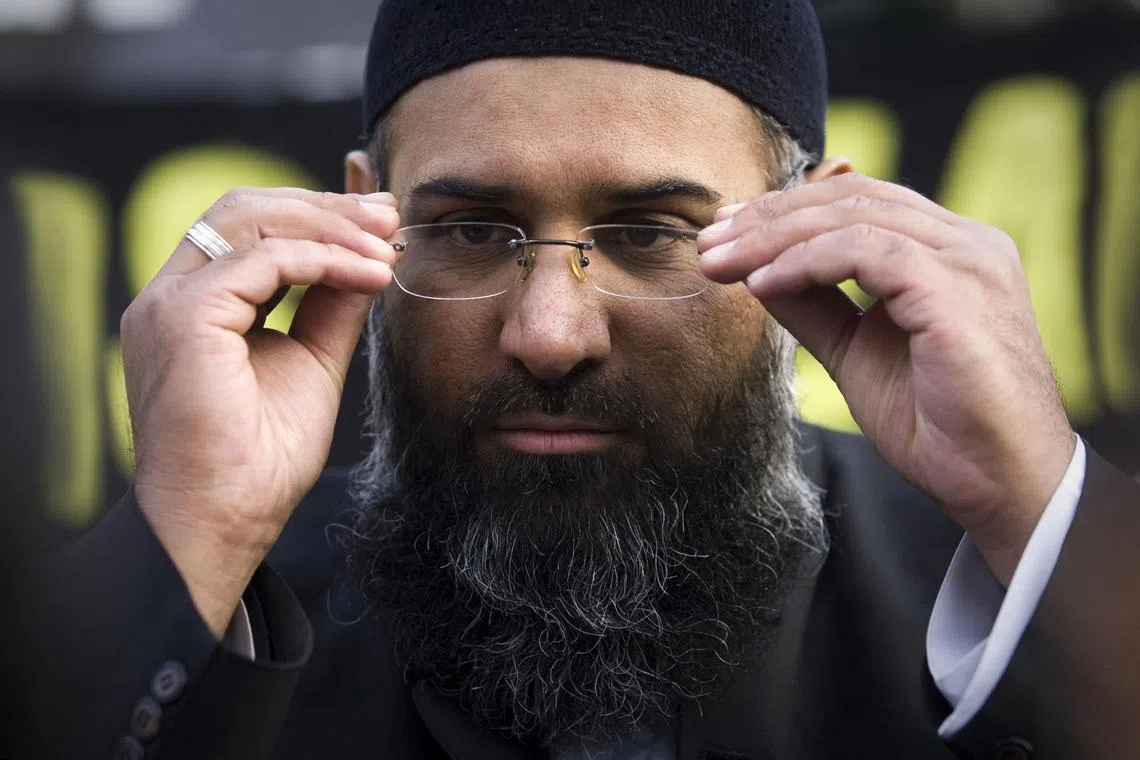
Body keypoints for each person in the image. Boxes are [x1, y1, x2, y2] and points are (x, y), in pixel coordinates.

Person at [13, 0, 1140, 758]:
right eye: (472, 232)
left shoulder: (995, 577)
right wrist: (191, 529)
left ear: (816, 223)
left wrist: (1036, 503)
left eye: (649, 233)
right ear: (364, 215)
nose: (551, 334)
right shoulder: (221, 610)